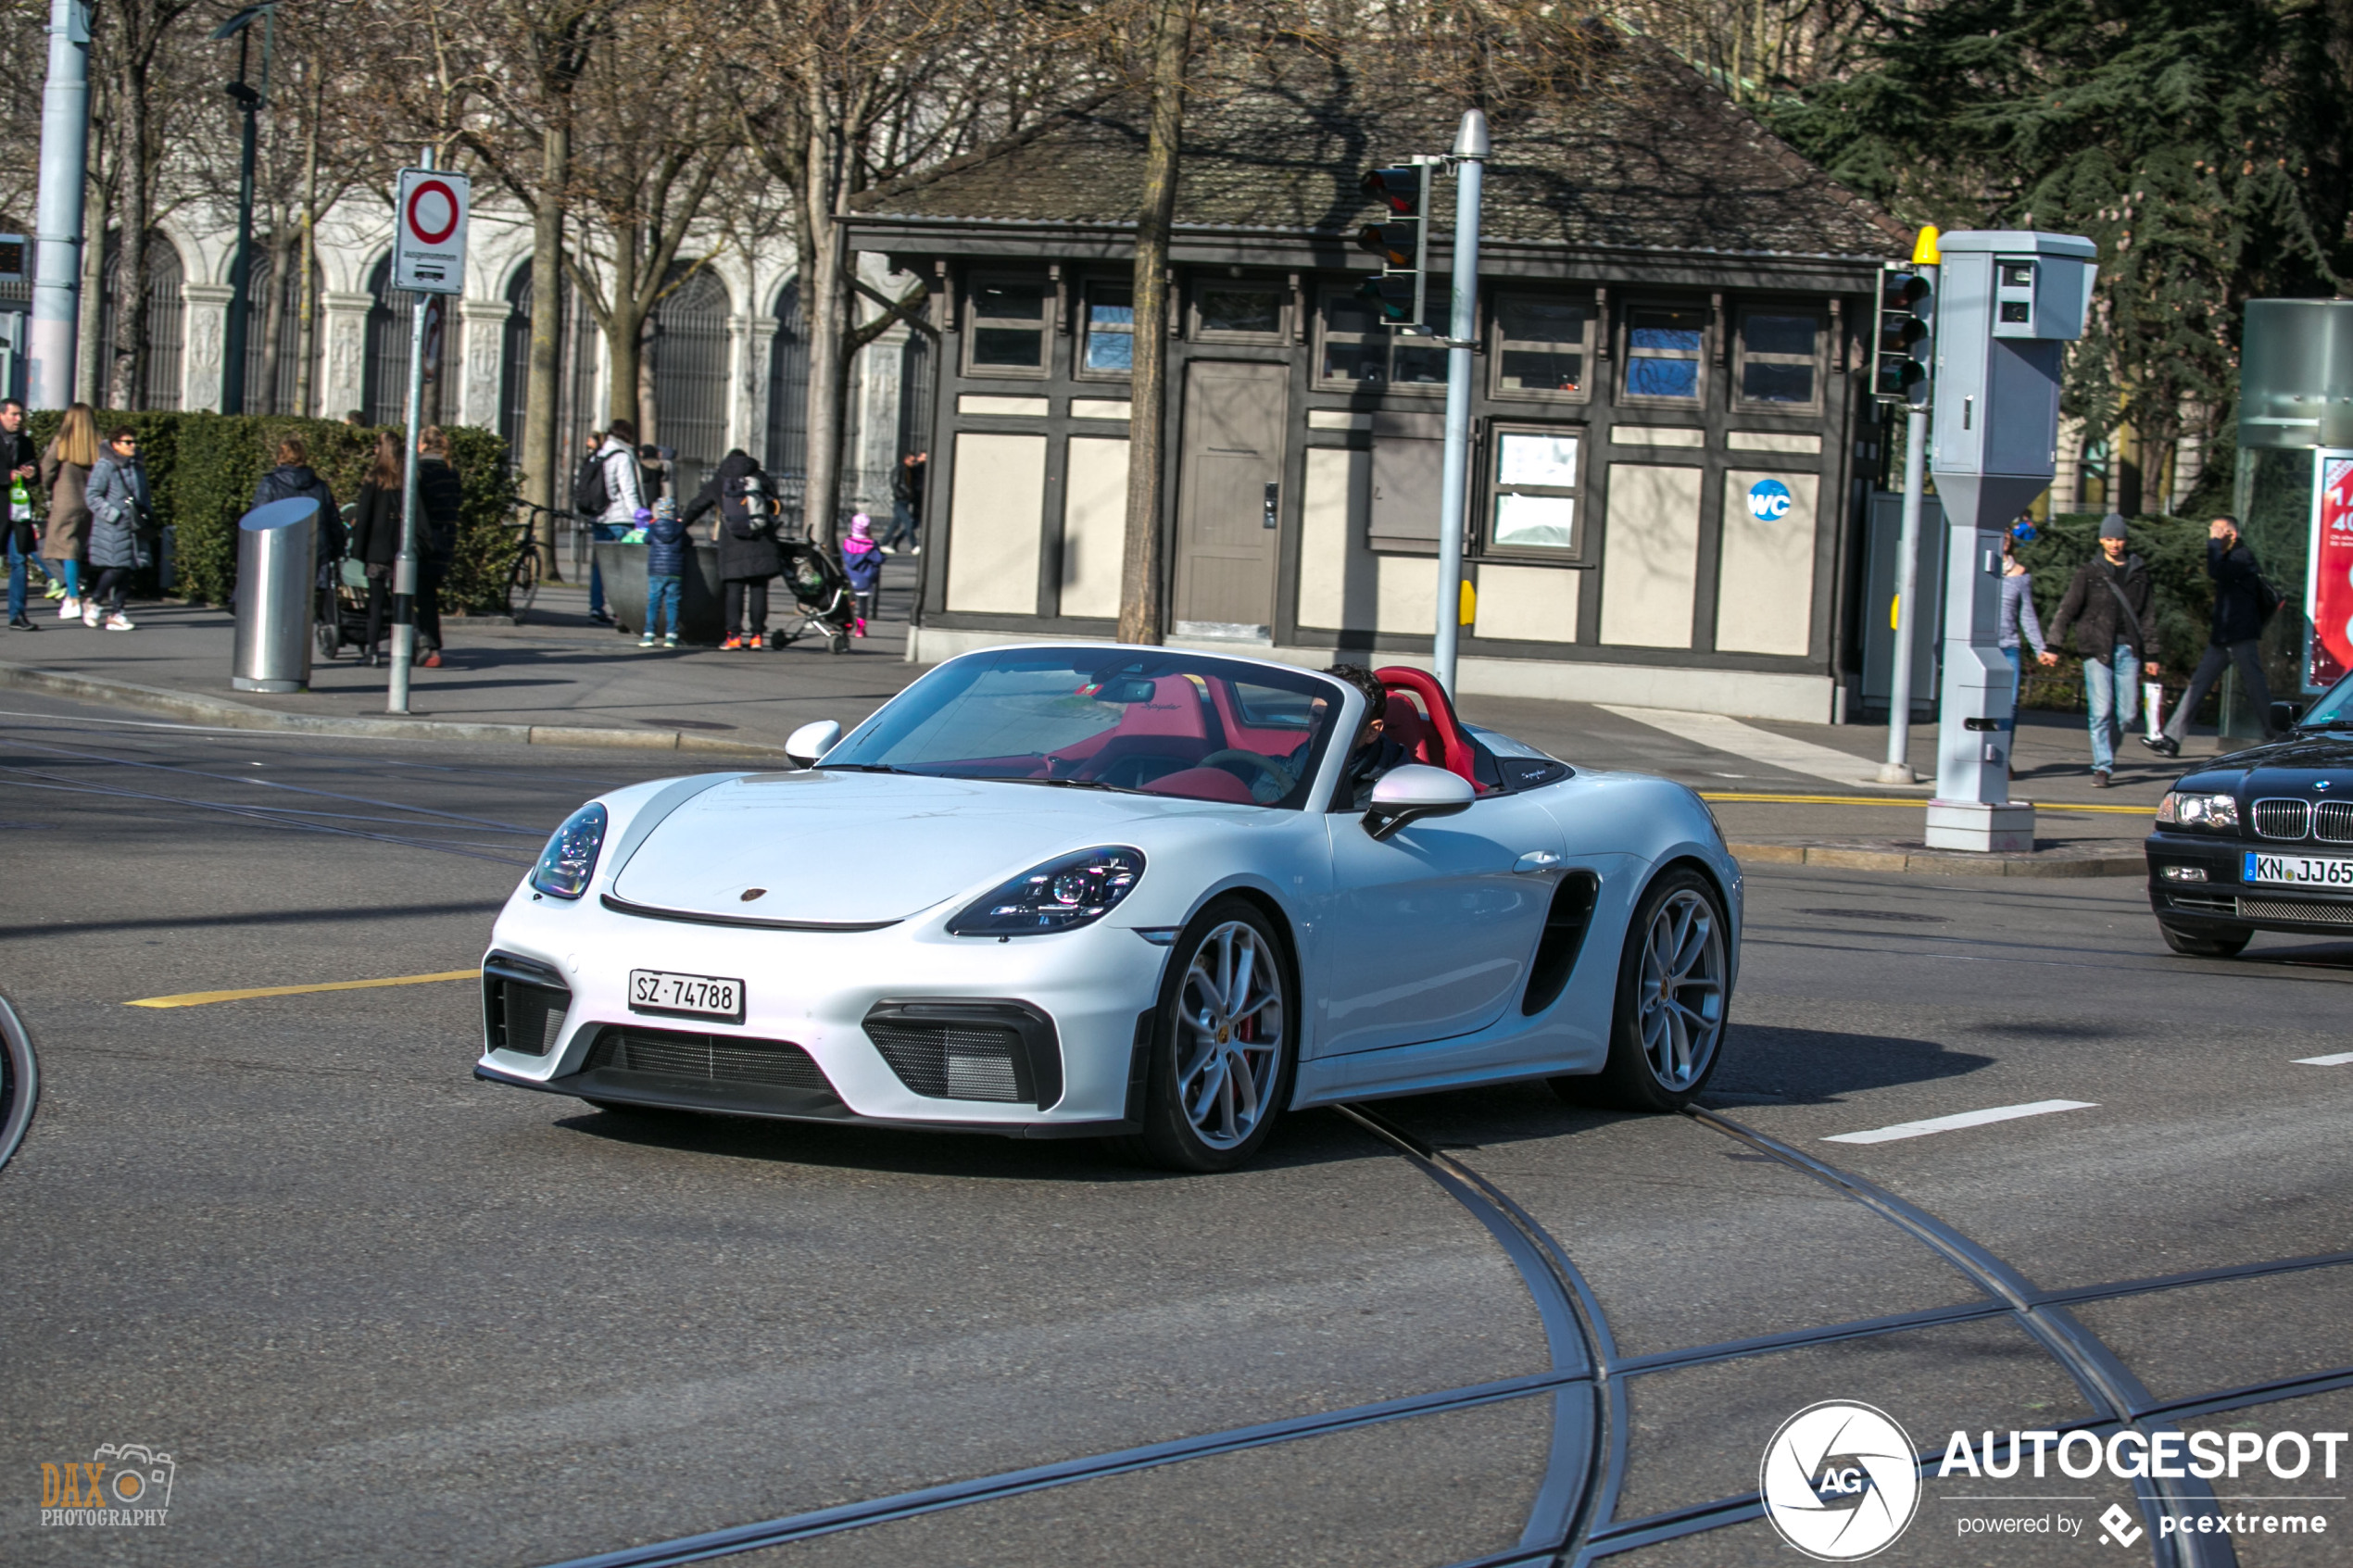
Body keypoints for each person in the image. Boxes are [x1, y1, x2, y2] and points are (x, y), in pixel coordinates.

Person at [2146, 514, 2278, 757]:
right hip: (2223, 637)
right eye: (2212, 532)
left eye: (2217, 531)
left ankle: (2276, 735)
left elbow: (2216, 571)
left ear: (2232, 534)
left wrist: (2214, 544)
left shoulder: (2242, 557)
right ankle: (2172, 739)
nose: (2212, 536)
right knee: (2198, 685)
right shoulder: (2230, 556)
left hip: (2241, 635)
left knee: (2255, 687)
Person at [2049, 513, 2161, 787]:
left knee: (2126, 715)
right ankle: (2103, 766)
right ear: (2101, 540)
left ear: (2126, 540)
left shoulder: (2139, 572)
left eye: (2119, 538)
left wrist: (2153, 654)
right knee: (2100, 711)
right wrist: (2054, 644)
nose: (2114, 544)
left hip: (2128, 649)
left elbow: (2148, 615)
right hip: (2096, 648)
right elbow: (2068, 609)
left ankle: (2106, 754)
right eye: (2109, 539)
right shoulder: (2089, 572)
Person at [681, 447, 779, 649]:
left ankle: (734, 636)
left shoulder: (720, 480)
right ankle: (757, 636)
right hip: (762, 542)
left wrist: (679, 525)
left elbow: (698, 505)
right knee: (759, 589)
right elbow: (776, 505)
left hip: (733, 543)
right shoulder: (760, 477)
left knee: (734, 591)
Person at [83, 427, 152, 632]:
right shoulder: (105, 466)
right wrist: (113, 514)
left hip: (133, 526)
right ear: (115, 444)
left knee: (128, 568)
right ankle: (95, 600)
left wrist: (146, 514)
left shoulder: (137, 466)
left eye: (133, 442)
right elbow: (92, 496)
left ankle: (117, 612)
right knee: (117, 567)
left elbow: (144, 494)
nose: (132, 446)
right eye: (127, 442)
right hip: (112, 526)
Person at [40, 402, 97, 623]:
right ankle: (76, 593)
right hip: (88, 501)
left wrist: (47, 487)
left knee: (65, 549)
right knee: (76, 547)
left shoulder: (62, 441)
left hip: (66, 499)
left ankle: (72, 596)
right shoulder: (97, 444)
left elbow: (47, 468)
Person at [349, 431, 403, 666]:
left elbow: (364, 517)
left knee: (375, 602)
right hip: (399, 549)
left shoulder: (373, 479)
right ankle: (402, 647)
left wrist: (357, 551)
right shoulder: (405, 481)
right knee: (401, 600)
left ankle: (372, 649)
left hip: (376, 550)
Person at [1323, 663, 1408, 808]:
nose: (1320, 728)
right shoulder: (1303, 756)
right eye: (1316, 716)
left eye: (1334, 720)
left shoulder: (1394, 795)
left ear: (1372, 732)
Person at [585, 419, 644, 625]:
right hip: (621, 519)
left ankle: (595, 607)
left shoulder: (599, 453)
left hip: (599, 517)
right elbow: (628, 490)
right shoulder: (622, 456)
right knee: (625, 566)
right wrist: (640, 517)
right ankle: (623, 612)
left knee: (599, 566)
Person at [252, 433, 343, 566]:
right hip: (315, 553)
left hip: (280, 552)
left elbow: (258, 520)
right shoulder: (320, 486)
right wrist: (336, 551)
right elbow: (333, 522)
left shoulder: (271, 484)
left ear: (279, 458)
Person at [414, 425, 462, 667]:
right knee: (428, 594)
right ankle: (430, 644)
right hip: (445, 540)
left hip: (424, 541)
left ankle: (427, 644)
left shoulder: (421, 471)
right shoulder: (450, 472)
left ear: (422, 445)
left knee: (412, 593)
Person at [2000, 534, 2052, 757]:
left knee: (2009, 706)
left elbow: (2027, 615)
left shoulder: (2020, 575)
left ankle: (2002, 757)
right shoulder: (1975, 569)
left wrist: (2040, 648)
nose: (2002, 539)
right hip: (1980, 647)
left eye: (2007, 535)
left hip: (2009, 647)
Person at [3, 399, 40, 630]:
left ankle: (18, 614)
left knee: (19, 561)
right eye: (14, 415)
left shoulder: (25, 442)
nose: (18, 419)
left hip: (19, 511)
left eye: (20, 415)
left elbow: (35, 473)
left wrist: (32, 473)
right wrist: (10, 475)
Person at [640, 496, 686, 648]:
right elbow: (688, 542)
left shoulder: (653, 527)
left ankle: (649, 634)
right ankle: (671, 635)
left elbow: (646, 540)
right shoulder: (680, 528)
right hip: (675, 571)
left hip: (657, 571)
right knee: (672, 603)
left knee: (654, 602)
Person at [841, 512, 881, 636]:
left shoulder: (847, 542)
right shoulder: (870, 545)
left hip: (850, 576)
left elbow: (845, 557)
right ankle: (860, 629)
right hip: (865, 577)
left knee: (849, 602)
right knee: (863, 603)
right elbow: (878, 559)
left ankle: (847, 625)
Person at [881, 450, 925, 555]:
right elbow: (896, 484)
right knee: (908, 522)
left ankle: (883, 543)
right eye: (912, 460)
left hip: (906, 500)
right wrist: (903, 493)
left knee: (895, 524)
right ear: (906, 459)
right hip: (900, 501)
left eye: (914, 460)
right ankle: (914, 546)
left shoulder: (910, 470)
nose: (914, 462)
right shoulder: (900, 469)